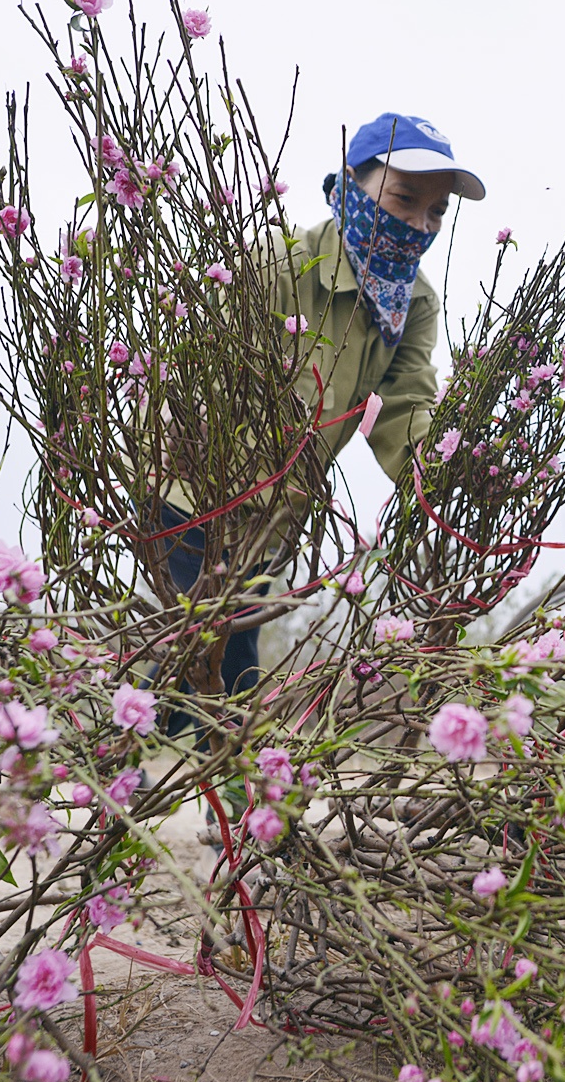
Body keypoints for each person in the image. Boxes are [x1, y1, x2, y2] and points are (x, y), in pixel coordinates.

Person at [159, 112, 485, 696]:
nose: (417, 223)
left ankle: (127, 756)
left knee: (201, 671)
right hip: (194, 501)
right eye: (403, 197)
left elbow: (407, 401)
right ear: (351, 184)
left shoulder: (413, 301)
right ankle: (174, 772)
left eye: (435, 211)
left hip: (272, 525)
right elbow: (196, 376)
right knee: (224, 675)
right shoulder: (276, 267)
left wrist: (446, 474)